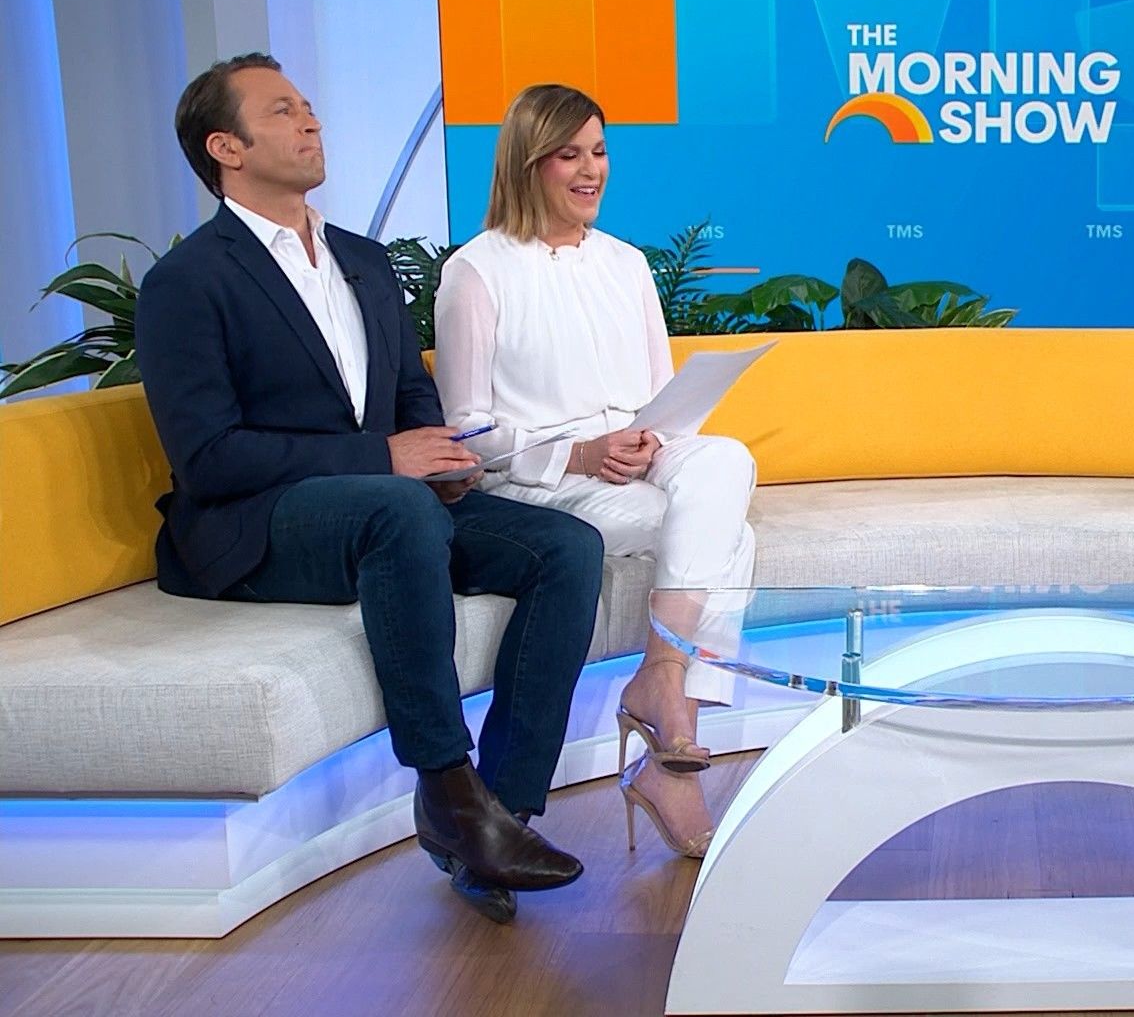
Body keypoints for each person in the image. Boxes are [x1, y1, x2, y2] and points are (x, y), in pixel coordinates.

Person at [137, 54, 606, 922]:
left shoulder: (361, 259)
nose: (311, 122)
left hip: (388, 508)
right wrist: (384, 459)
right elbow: (209, 457)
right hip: (255, 525)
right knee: (395, 506)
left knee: (566, 547)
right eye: (282, 111)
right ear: (225, 148)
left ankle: (503, 813)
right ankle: (446, 787)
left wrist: (445, 454)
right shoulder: (187, 282)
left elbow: (408, 393)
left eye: (309, 106)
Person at [433, 84, 758, 859]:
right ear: (528, 164)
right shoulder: (476, 272)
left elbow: (661, 395)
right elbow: (465, 429)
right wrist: (578, 453)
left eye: (600, 152)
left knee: (727, 458)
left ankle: (662, 682)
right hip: (546, 485)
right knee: (727, 539)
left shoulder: (627, 264)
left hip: (639, 464)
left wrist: (653, 438)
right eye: (570, 155)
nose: (592, 170)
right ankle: (670, 742)